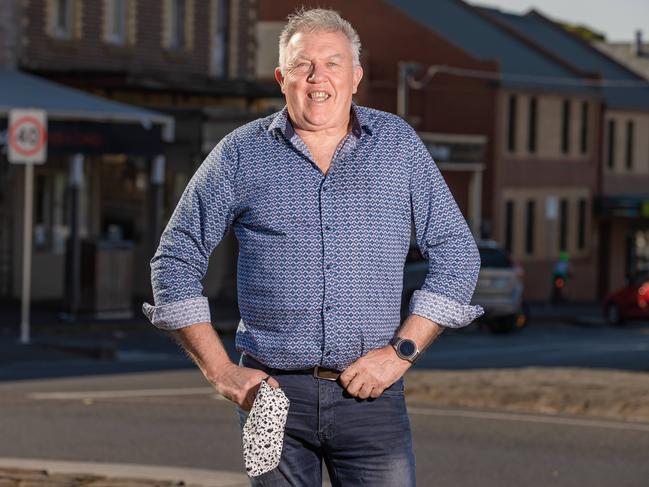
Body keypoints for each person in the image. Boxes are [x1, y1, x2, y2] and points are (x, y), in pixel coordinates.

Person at [143, 7, 483, 486]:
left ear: (356, 76)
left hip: (372, 399)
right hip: (270, 398)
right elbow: (175, 258)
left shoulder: (398, 147)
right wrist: (220, 370)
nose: (317, 77)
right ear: (282, 77)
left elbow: (457, 253)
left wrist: (401, 352)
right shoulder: (240, 153)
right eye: (303, 64)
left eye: (333, 63)